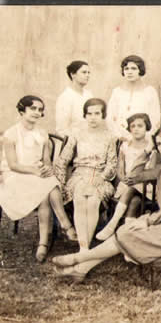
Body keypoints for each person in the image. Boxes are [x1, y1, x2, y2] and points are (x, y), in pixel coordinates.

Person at [51, 126, 161, 283]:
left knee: (129, 233)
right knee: (126, 230)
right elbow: (133, 176)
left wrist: (150, 220)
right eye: (159, 144)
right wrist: (147, 151)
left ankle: (79, 258)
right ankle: (81, 269)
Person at [0, 95, 77, 263]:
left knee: (46, 189)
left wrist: (46, 168)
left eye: (40, 110)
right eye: (32, 108)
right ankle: (65, 226)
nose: (37, 112)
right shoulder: (11, 134)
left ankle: (44, 243)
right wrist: (35, 171)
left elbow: (46, 161)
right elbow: (13, 165)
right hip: (16, 175)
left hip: (37, 174)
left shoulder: (42, 134)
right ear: (22, 111)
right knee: (46, 187)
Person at [54, 98, 117, 253]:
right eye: (89, 114)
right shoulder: (77, 134)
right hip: (79, 175)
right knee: (80, 198)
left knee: (93, 200)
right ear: (85, 115)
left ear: (103, 115)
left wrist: (101, 178)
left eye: (97, 113)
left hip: (100, 176)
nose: (93, 117)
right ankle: (84, 249)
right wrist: (60, 183)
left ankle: (84, 249)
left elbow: (112, 164)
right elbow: (63, 160)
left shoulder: (109, 136)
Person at [95, 113, 156, 241]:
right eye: (133, 126)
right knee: (135, 201)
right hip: (127, 184)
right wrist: (124, 179)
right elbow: (119, 169)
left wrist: (136, 179)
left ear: (147, 127)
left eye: (140, 126)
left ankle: (112, 224)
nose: (136, 129)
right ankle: (128, 237)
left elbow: (151, 171)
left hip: (146, 186)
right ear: (129, 129)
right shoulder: (125, 146)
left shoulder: (151, 148)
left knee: (133, 188)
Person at [107, 55, 161, 142]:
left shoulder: (150, 91)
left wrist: (145, 137)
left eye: (133, 68)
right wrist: (119, 136)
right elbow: (110, 117)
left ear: (140, 70)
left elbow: (155, 119)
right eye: (126, 69)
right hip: (121, 139)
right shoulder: (117, 92)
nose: (129, 72)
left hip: (143, 140)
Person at [55, 60, 93, 137]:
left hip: (89, 138)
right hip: (72, 139)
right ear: (72, 74)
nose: (87, 75)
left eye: (88, 72)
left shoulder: (89, 95)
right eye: (84, 72)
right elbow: (62, 129)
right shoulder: (65, 97)